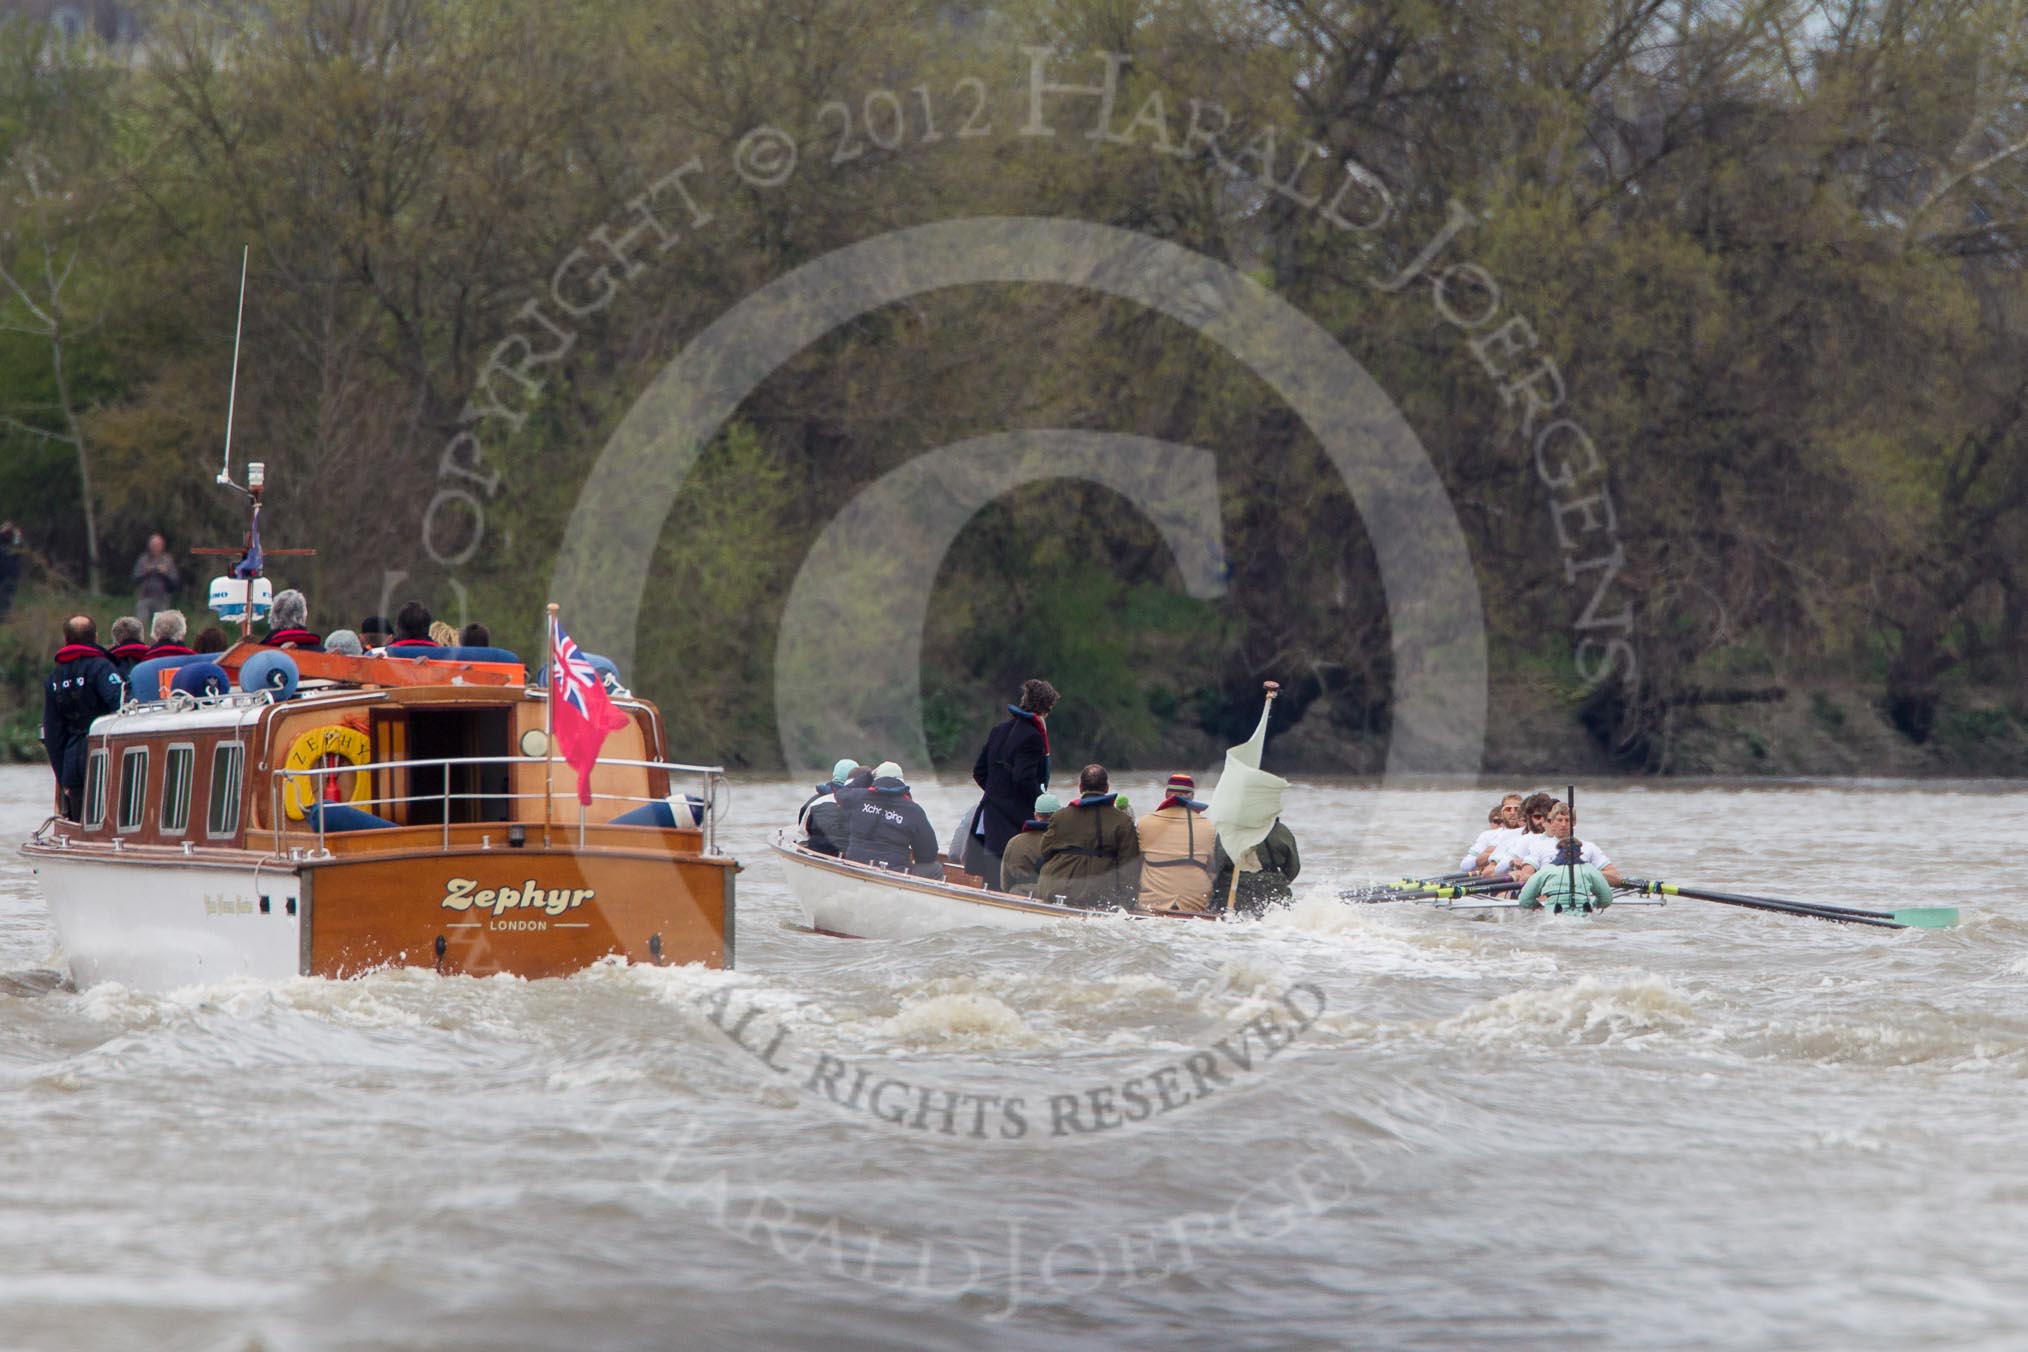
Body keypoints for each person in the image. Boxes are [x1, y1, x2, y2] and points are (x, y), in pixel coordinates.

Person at [968, 678, 1057, 890]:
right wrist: (1041, 804)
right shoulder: (1033, 737)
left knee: (990, 883)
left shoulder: (998, 730)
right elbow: (1023, 779)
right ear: (1045, 709)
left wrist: (996, 792)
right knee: (1013, 882)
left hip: (989, 816)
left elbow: (979, 772)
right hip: (1013, 821)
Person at [41, 615, 123, 821]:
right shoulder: (101, 668)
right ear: (96, 637)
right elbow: (121, 706)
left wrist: (62, 775)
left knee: (80, 825)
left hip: (72, 764)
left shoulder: (54, 678)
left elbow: (53, 733)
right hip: (103, 758)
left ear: (66, 640)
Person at [1036, 764, 1141, 908]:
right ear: (1106, 788)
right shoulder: (1123, 821)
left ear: (1080, 787)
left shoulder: (1060, 816)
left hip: (1055, 889)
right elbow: (1130, 868)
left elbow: (1045, 850)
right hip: (1099, 895)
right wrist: (1127, 904)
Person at [840, 761, 941, 877]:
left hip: (855, 864)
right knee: (934, 868)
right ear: (901, 782)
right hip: (895, 872)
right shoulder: (914, 810)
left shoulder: (858, 797)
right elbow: (929, 853)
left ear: (875, 780)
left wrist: (868, 776)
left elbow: (842, 792)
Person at [1136, 772, 1217, 914]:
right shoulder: (1208, 827)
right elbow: (1211, 869)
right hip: (1195, 904)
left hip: (1153, 902)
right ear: (1192, 796)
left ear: (1167, 794)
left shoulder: (1145, 823)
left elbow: (1134, 863)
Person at [1513, 800, 1624, 885]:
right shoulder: (1539, 846)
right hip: (1548, 896)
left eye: (1567, 820)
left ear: (1574, 823)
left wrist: (1585, 874)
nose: (1563, 824)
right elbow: (1525, 876)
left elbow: (1615, 877)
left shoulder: (1589, 847)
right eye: (1559, 820)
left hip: (1581, 897)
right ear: (1551, 822)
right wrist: (1554, 878)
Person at [1210, 818, 1302, 915]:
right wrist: (1275, 880)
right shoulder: (1282, 831)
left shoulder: (1227, 831)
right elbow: (1293, 868)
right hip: (1274, 892)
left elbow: (1217, 866)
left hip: (1233, 894)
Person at [1516, 837, 1614, 913]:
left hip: (1553, 917)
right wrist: (1593, 905)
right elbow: (1607, 899)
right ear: (1580, 853)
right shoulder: (1590, 870)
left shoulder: (1546, 870)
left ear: (1559, 853)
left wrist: (1540, 907)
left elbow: (1524, 899)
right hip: (1583, 916)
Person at [797, 758, 864, 857]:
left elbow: (802, 832)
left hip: (817, 854)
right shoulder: (863, 803)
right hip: (849, 857)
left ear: (834, 775)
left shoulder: (813, 802)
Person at [998, 792, 1060, 895]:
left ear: (1036, 815)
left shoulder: (1014, 842)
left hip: (1021, 894)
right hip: (1054, 896)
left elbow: (1005, 882)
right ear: (1058, 815)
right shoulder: (1065, 841)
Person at [131, 531, 179, 633]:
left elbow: (174, 584)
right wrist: (146, 572)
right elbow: (135, 579)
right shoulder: (143, 560)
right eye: (153, 545)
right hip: (144, 598)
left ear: (162, 546)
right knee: (140, 627)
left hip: (162, 600)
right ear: (149, 546)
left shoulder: (168, 560)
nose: (155, 547)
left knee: (161, 629)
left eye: (158, 545)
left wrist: (164, 574)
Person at [0, 520, 22, 617]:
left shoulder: (14, 545)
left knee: (7, 598)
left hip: (11, 575)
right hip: (2, 574)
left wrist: (17, 534)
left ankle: (4, 617)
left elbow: (19, 545)